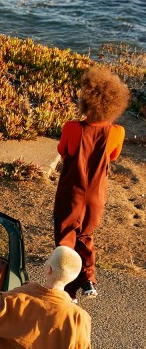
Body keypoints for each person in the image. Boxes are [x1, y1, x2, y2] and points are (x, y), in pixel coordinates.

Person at [53, 66, 130, 300]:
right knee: (86, 235)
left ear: (87, 100)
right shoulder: (117, 131)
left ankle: (68, 290)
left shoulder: (73, 128)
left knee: (66, 235)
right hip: (97, 194)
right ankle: (88, 280)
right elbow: (113, 156)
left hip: (72, 191)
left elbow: (63, 150)